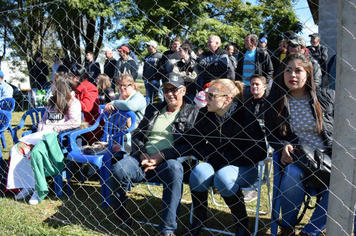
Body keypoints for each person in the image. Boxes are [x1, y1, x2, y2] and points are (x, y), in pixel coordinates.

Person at [109, 73, 199, 236]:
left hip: (168, 162)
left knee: (175, 168)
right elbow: (137, 135)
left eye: (174, 89)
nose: (170, 93)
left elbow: (192, 144)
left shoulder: (192, 113)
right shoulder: (154, 109)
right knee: (118, 169)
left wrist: (163, 155)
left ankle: (167, 229)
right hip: (142, 160)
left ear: (184, 90)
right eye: (166, 90)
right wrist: (142, 154)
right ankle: (120, 210)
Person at [265, 53, 334, 236]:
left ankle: (308, 232)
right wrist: (282, 147)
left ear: (308, 73)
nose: (293, 75)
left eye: (298, 70)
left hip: (330, 160)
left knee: (346, 181)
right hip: (300, 160)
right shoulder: (274, 102)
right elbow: (270, 134)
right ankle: (287, 228)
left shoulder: (327, 98)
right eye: (288, 70)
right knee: (291, 173)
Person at [188, 78, 267, 236]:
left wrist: (229, 160)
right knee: (198, 173)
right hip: (215, 162)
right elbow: (194, 142)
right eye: (206, 94)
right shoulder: (205, 113)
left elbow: (260, 150)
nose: (206, 98)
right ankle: (200, 217)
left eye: (211, 95)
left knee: (223, 177)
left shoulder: (245, 116)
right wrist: (214, 157)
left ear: (228, 99)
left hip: (243, 167)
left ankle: (242, 224)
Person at [7, 74, 81, 205]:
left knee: (36, 153)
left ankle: (39, 188)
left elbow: (75, 122)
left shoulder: (73, 102)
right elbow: (43, 120)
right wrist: (42, 127)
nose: (51, 86)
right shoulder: (52, 102)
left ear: (60, 87)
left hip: (56, 138)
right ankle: (27, 184)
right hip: (41, 134)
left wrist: (54, 128)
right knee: (17, 149)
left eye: (53, 83)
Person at [69, 63, 102, 144]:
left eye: (69, 75)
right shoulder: (73, 88)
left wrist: (69, 99)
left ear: (77, 78)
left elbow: (86, 107)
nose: (67, 78)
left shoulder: (90, 88)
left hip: (88, 127)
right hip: (75, 123)